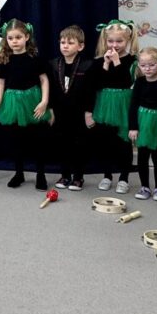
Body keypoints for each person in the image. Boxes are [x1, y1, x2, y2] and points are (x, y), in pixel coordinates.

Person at [0, 19, 50, 189]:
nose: (14, 41)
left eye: (18, 37)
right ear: (6, 40)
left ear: (26, 37)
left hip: (32, 100)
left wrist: (44, 101)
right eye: (10, 38)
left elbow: (44, 80)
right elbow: (1, 82)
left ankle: (40, 174)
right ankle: (19, 173)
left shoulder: (35, 58)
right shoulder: (5, 59)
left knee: (38, 140)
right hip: (12, 102)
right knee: (16, 140)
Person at [85, 20, 138, 193]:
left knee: (124, 142)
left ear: (128, 40)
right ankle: (107, 175)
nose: (114, 45)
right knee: (106, 142)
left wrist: (117, 62)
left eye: (119, 41)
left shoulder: (132, 61)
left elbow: (126, 82)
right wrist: (106, 64)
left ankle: (124, 177)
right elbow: (95, 85)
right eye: (110, 41)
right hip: (104, 105)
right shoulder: (99, 61)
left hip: (123, 105)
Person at [128, 47, 157, 202]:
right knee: (142, 156)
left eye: (151, 65)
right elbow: (133, 106)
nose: (147, 69)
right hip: (142, 121)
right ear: (139, 66)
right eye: (143, 65)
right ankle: (144, 187)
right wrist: (133, 127)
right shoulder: (139, 82)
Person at [50, 25, 92, 191]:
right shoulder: (54, 64)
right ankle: (65, 175)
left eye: (70, 43)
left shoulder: (87, 65)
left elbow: (91, 92)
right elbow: (50, 90)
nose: (65, 46)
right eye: (62, 42)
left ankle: (78, 177)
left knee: (78, 144)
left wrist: (89, 112)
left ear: (80, 46)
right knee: (62, 144)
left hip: (79, 112)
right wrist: (51, 109)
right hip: (60, 112)